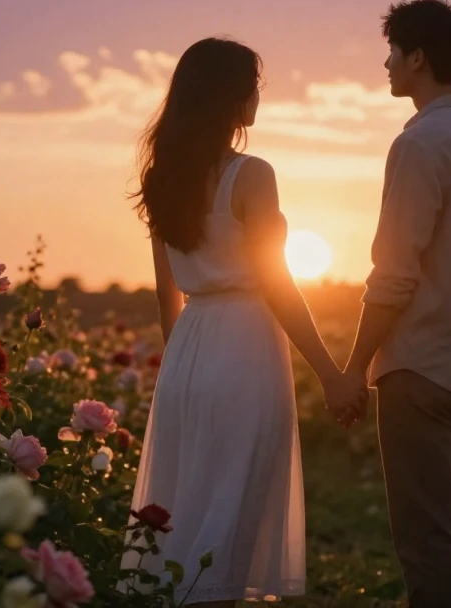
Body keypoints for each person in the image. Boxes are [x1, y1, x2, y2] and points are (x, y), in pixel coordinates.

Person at [124, 37, 353, 606]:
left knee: (188, 507)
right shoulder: (251, 174)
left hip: (188, 350)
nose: (258, 97)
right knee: (231, 514)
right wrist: (330, 371)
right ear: (233, 98)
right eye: (254, 86)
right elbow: (276, 282)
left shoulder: (164, 176)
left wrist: (185, 369)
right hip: (245, 346)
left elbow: (165, 294)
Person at [333, 0, 451, 608]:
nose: (386, 64)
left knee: (426, 537)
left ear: (417, 58)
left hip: (420, 365)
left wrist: (356, 364)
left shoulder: (419, 144)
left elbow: (393, 274)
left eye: (393, 51)